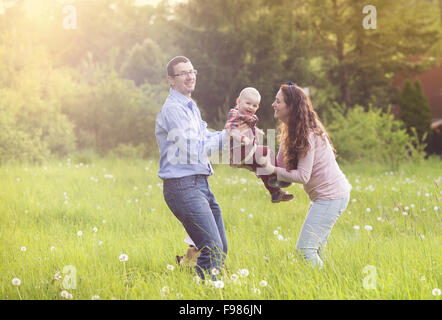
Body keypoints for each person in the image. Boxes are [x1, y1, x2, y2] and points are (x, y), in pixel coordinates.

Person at [261, 81, 352, 268]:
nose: (273, 104)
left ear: (291, 107)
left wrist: (271, 170)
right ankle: (330, 284)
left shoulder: (307, 133)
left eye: (278, 101)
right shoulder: (291, 130)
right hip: (327, 198)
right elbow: (279, 168)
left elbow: (302, 176)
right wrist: (255, 163)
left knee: (305, 251)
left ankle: (327, 284)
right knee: (316, 250)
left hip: (332, 197)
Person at [155, 56, 228, 279]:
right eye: (183, 73)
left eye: (192, 71)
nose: (190, 76)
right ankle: (206, 294)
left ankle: (195, 277)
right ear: (171, 80)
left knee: (220, 248)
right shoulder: (174, 110)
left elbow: (204, 135)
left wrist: (237, 135)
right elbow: (193, 149)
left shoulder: (189, 106)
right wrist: (229, 135)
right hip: (183, 187)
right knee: (212, 248)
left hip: (199, 184)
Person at [224, 87, 294, 203]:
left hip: (247, 152)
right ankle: (279, 177)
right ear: (238, 101)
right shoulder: (235, 113)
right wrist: (241, 138)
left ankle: (275, 193)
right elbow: (230, 128)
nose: (251, 107)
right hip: (241, 151)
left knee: (263, 167)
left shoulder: (248, 118)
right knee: (268, 151)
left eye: (254, 106)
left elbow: (247, 126)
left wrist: (256, 131)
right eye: (248, 103)